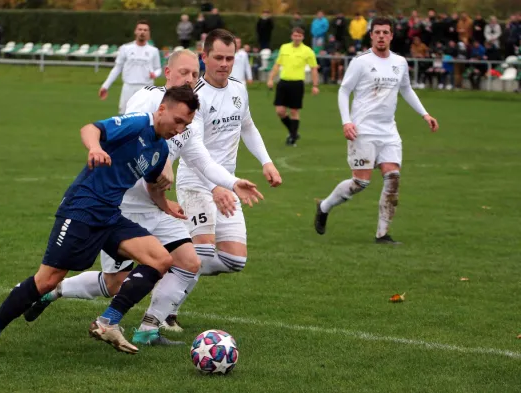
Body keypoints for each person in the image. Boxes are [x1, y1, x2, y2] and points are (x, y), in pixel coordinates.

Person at [22, 50, 264, 344]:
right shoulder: (147, 98)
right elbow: (132, 137)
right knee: (115, 284)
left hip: (156, 205)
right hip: (122, 207)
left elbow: (201, 159)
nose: (190, 79)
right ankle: (54, 290)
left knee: (189, 261)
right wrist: (162, 164)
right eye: (184, 72)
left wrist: (233, 181)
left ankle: (148, 329)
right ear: (168, 72)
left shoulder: (190, 115)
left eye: (194, 74)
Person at [0, 85, 201, 360]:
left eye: (186, 124)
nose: (180, 128)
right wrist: (94, 148)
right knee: (47, 280)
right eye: (178, 120)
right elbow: (90, 128)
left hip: (110, 216)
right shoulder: (138, 122)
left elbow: (153, 187)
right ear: (162, 109)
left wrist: (167, 205)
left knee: (160, 260)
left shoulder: (160, 149)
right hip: (82, 208)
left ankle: (107, 322)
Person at [169, 29, 283, 324]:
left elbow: (248, 126)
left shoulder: (238, 89)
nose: (224, 64)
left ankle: (170, 266)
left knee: (234, 260)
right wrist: (215, 186)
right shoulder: (194, 99)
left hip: (227, 183)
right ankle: (166, 311)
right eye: (218, 57)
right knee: (203, 253)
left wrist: (266, 162)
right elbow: (191, 153)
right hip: (196, 183)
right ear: (204, 57)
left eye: (230, 58)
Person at [314, 17, 439, 244]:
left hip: (388, 130)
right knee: (360, 183)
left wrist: (425, 114)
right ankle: (324, 206)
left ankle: (383, 235)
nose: (381, 36)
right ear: (371, 35)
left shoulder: (400, 62)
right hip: (363, 130)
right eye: (377, 32)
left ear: (391, 36)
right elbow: (344, 91)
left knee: (393, 178)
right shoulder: (361, 61)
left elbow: (407, 89)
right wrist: (346, 122)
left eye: (386, 32)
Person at [267, 27, 319, 146]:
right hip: (283, 82)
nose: (297, 38)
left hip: (297, 84)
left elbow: (314, 69)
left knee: (294, 111)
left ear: (303, 37)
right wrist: (270, 78)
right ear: (292, 36)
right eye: (295, 35)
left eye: (299, 36)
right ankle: (294, 132)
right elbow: (277, 65)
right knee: (280, 111)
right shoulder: (284, 47)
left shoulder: (308, 51)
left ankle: (292, 138)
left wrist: (315, 85)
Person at [99, 20, 162, 114]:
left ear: (148, 33)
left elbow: (158, 68)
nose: (142, 32)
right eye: (140, 29)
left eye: (145, 30)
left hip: (146, 88)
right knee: (124, 115)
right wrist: (105, 86)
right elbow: (117, 68)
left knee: (145, 117)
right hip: (129, 86)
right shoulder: (126, 48)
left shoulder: (153, 50)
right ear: (135, 31)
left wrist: (155, 74)